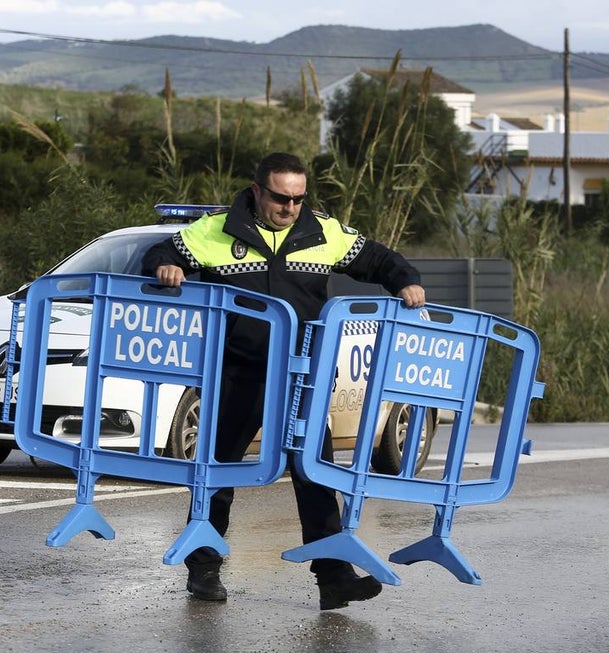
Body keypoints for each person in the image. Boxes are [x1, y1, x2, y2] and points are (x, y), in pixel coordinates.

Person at [142, 151, 426, 610]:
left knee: (316, 477)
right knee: (216, 474)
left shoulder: (322, 230)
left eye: (298, 199)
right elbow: (161, 252)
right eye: (280, 198)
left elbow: (378, 259)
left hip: (304, 379)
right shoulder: (215, 231)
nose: (290, 208)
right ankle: (204, 569)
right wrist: (165, 267)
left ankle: (333, 579)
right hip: (239, 374)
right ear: (257, 192)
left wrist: (406, 281)